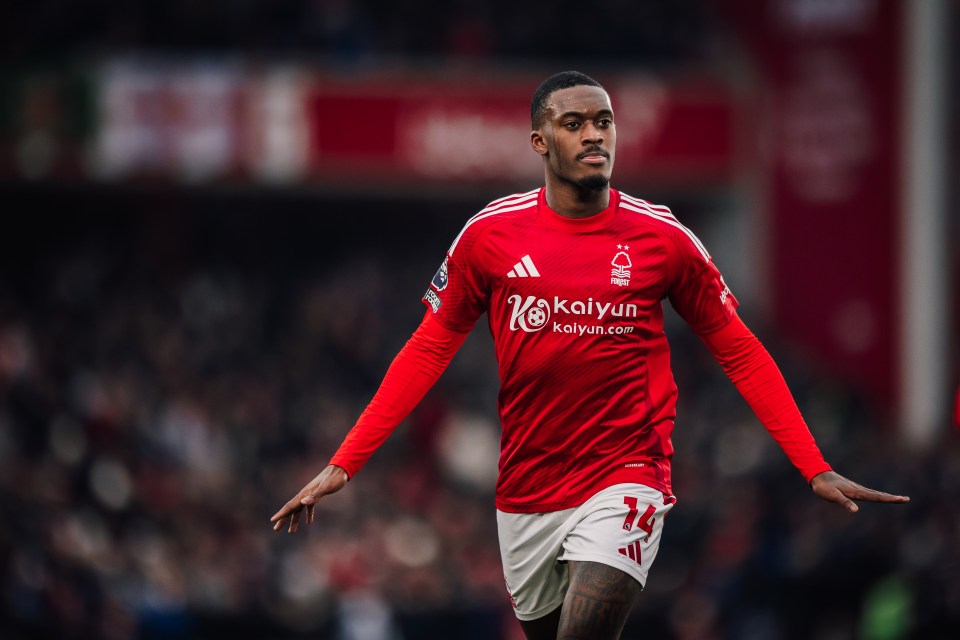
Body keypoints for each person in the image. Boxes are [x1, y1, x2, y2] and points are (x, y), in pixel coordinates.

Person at [271, 71, 910, 640]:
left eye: (603, 121)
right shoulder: (489, 236)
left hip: (627, 473)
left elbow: (739, 350)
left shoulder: (664, 239)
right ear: (539, 142)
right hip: (526, 491)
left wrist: (811, 464)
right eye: (573, 123)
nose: (593, 134)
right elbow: (428, 348)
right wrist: (345, 463)